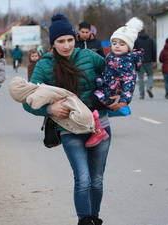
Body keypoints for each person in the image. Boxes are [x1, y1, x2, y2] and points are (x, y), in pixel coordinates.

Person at [22, 13, 124, 225]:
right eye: (61, 41)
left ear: (75, 38)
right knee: (83, 179)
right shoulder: (44, 66)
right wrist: (50, 108)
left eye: (69, 39)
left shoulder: (90, 57)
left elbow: (114, 77)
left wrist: (116, 96)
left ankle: (94, 218)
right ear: (53, 44)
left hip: (100, 126)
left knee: (96, 180)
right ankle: (84, 220)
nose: (66, 45)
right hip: (70, 129)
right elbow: (27, 101)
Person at [133, 28, 156, 99]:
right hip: (149, 60)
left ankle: (142, 94)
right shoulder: (150, 40)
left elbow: (134, 51)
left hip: (139, 61)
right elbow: (154, 50)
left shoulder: (136, 40)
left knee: (140, 77)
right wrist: (154, 60)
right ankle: (149, 87)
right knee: (150, 75)